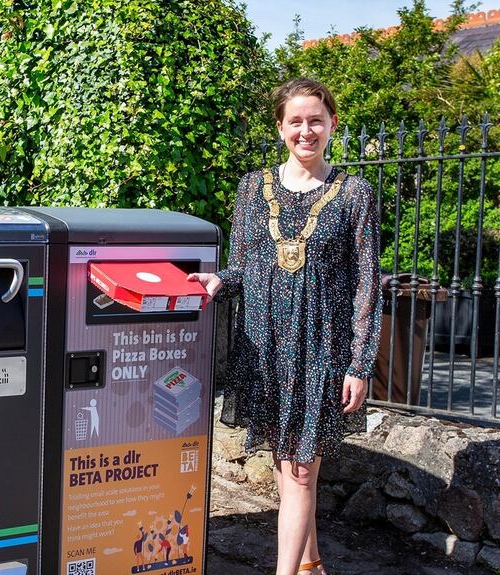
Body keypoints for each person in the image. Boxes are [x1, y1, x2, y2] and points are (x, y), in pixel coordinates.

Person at [188, 78, 381, 575]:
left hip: (320, 350)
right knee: (289, 469)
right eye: (295, 121)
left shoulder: (355, 194)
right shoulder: (254, 186)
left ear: (332, 124)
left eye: (316, 120)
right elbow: (245, 265)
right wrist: (218, 282)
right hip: (266, 346)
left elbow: (366, 284)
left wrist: (359, 363)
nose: (306, 130)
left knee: (298, 472)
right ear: (280, 127)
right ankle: (311, 563)